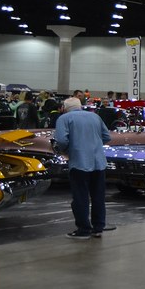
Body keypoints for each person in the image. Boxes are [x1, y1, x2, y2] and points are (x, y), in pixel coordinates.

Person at [53, 97, 112, 239]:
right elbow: (107, 136)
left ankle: (83, 229)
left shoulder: (64, 118)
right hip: (99, 162)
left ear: (65, 108)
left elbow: (61, 140)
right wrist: (94, 144)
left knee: (80, 197)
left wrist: (67, 150)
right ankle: (98, 227)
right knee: (98, 196)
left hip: (79, 162)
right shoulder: (95, 116)